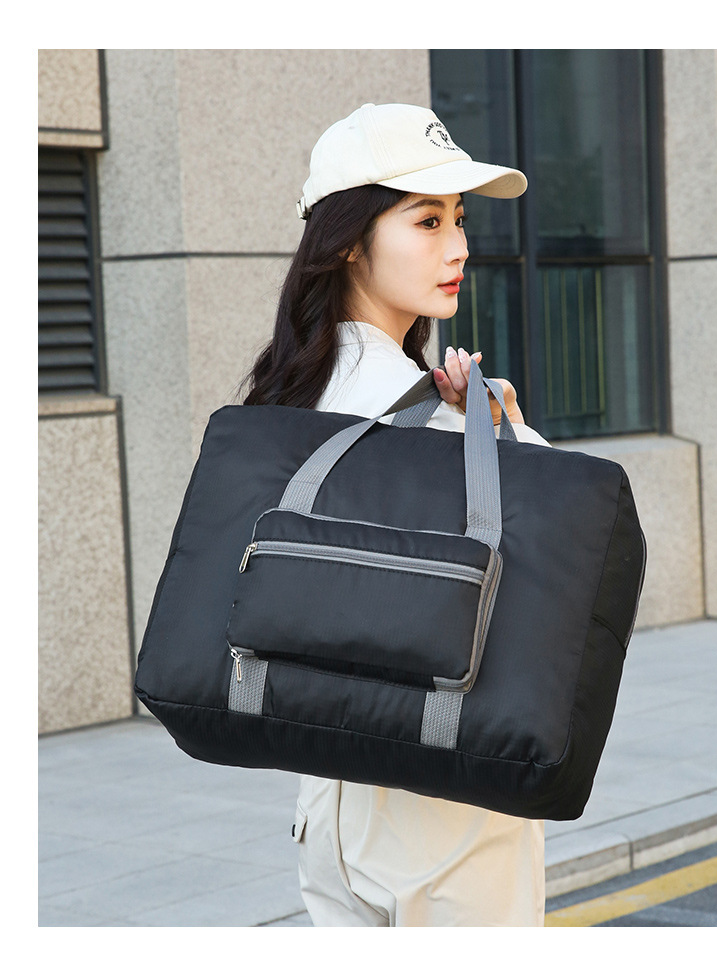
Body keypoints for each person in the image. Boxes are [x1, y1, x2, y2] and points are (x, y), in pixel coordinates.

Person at [242, 103, 550, 927]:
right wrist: (511, 437)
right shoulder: (439, 420)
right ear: (349, 239)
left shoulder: (287, 396)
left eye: (459, 219)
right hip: (444, 824)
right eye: (427, 219)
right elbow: (564, 573)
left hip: (331, 815)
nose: (458, 247)